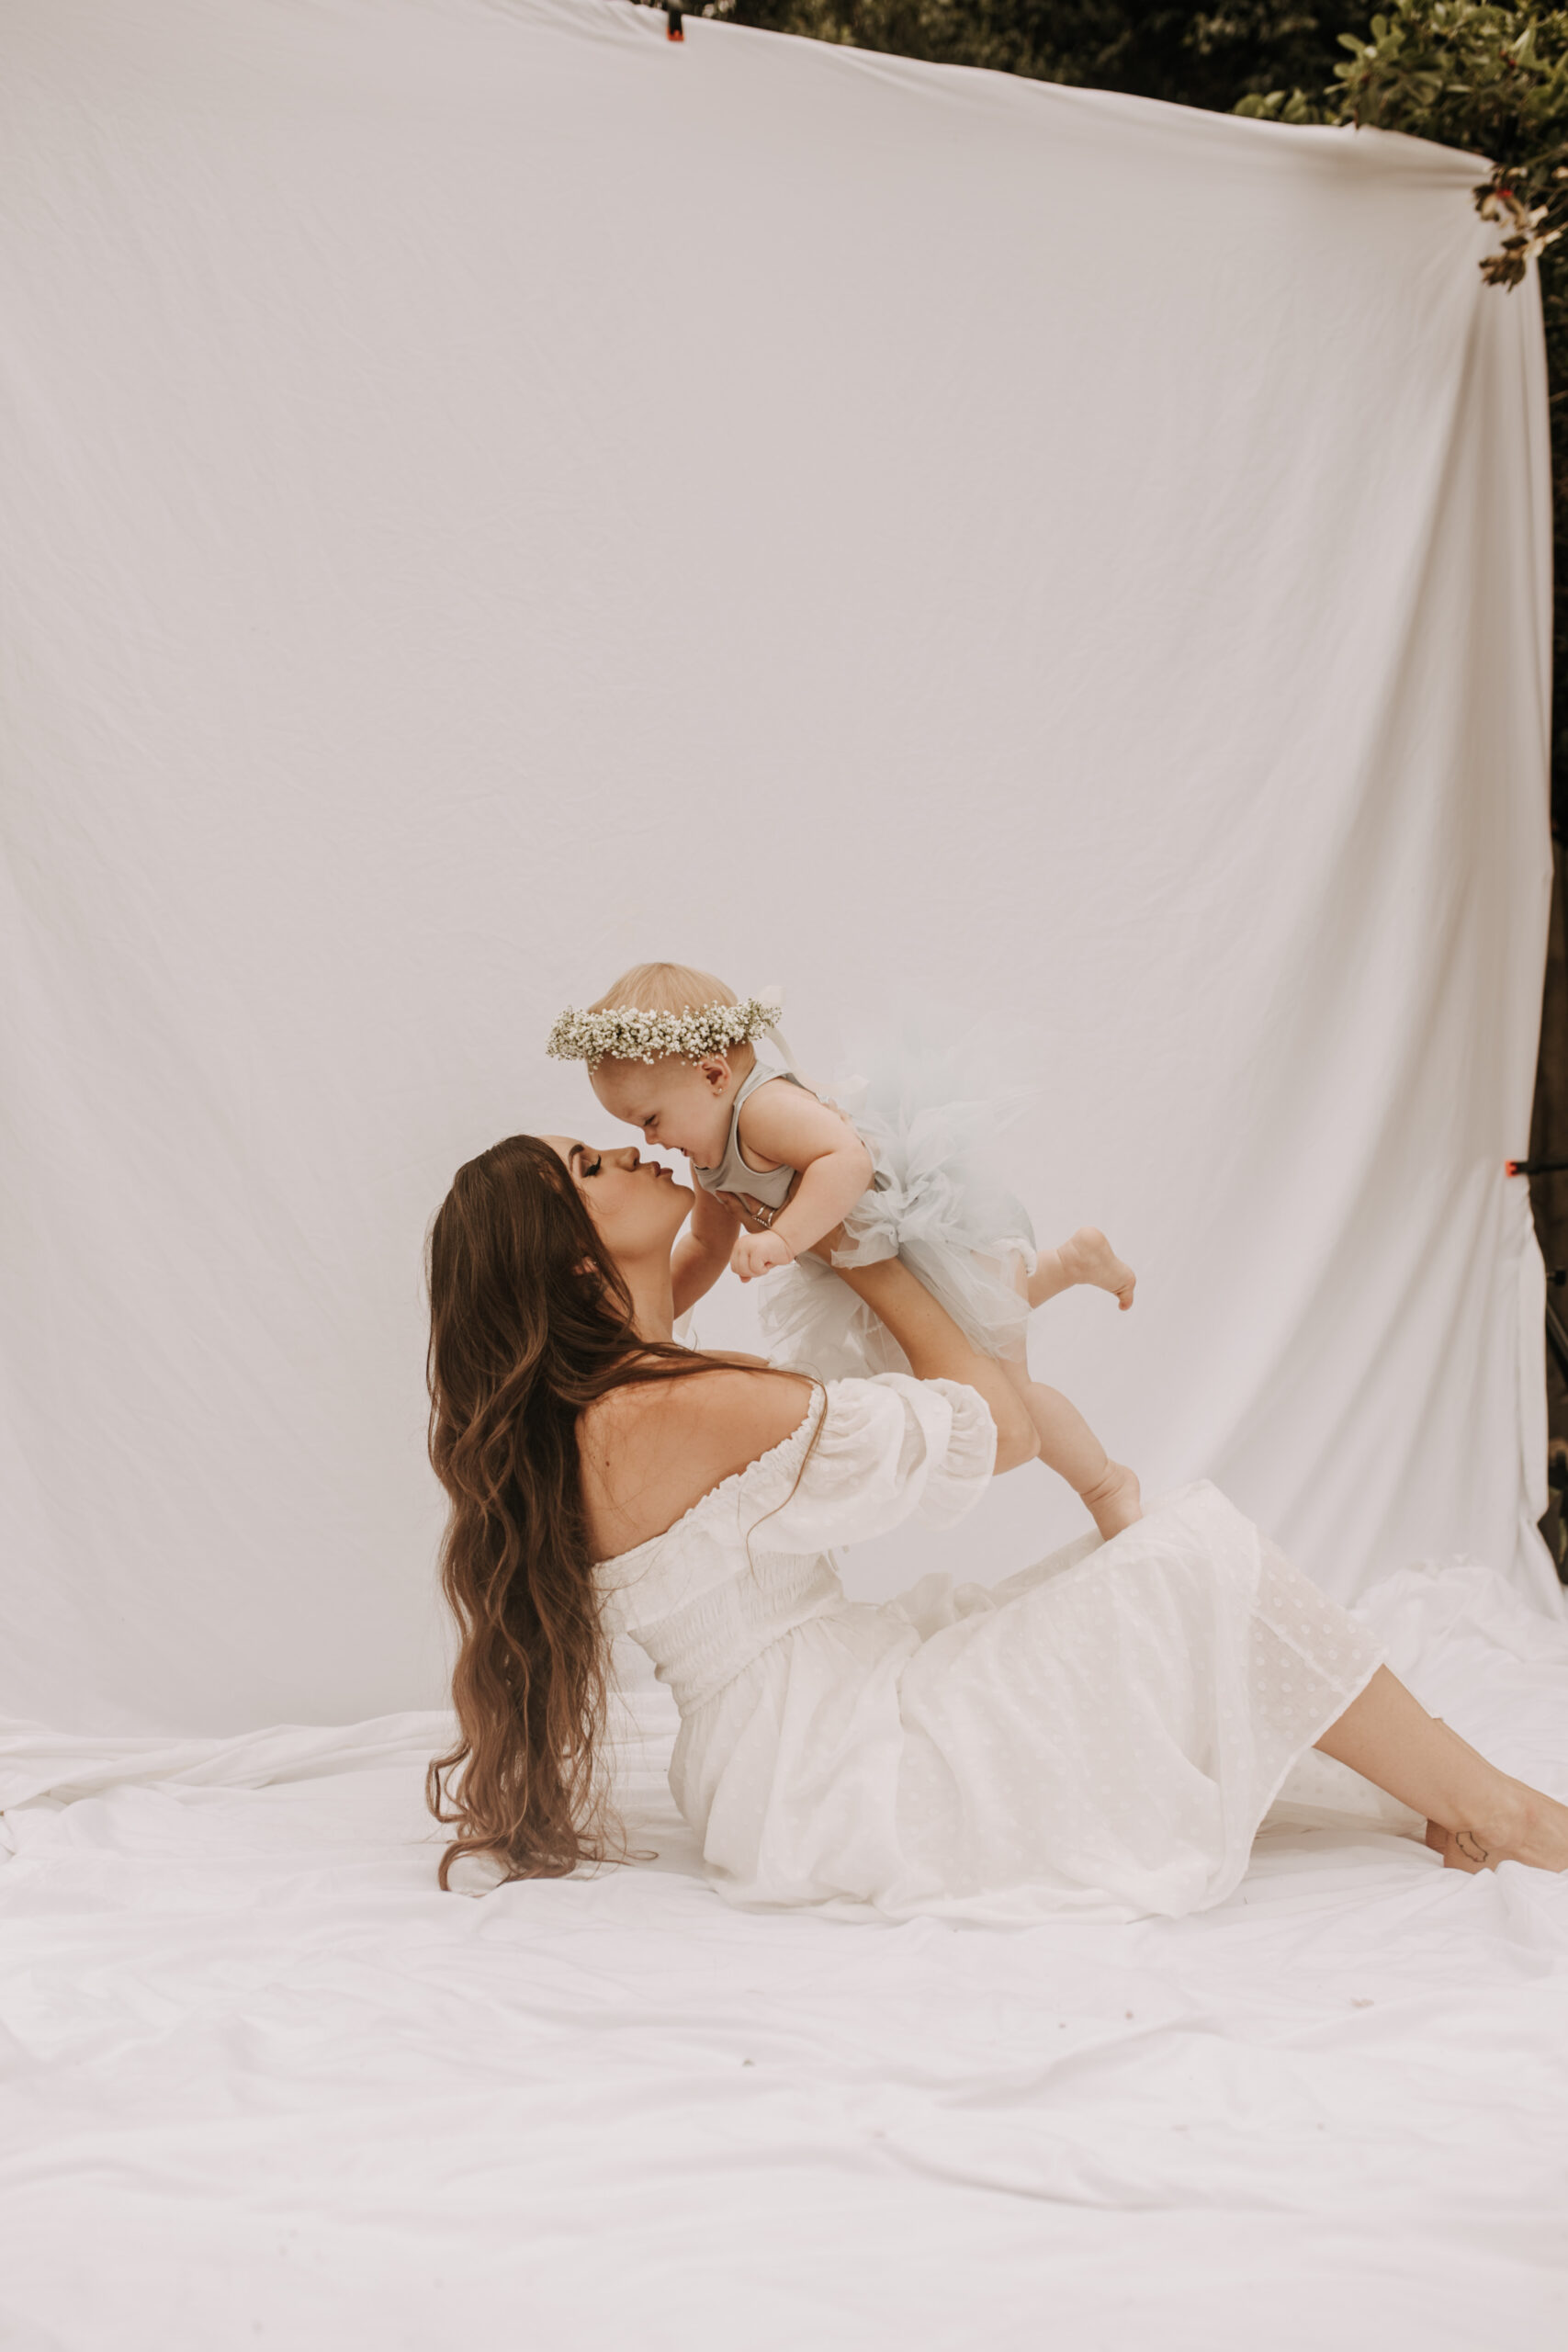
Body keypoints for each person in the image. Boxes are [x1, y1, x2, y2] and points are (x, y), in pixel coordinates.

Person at [423, 1129, 1568, 1918]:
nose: (628, 1147)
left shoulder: (613, 1405)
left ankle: (1451, 1797)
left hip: (780, 1756)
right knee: (1197, 1561)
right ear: (578, 1254)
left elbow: (675, 1302)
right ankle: (1502, 1810)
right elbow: (997, 1428)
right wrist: (857, 1238)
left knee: (1133, 1595)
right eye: (590, 1164)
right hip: (842, 1768)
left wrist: (750, 1219)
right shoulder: (670, 1408)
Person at [547, 962, 1140, 1539]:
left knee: (1010, 1392)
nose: (648, 1141)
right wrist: (647, 1325)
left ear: (713, 1077)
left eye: (650, 1120)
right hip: (893, 1257)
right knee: (961, 1336)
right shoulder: (708, 1157)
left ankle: (1107, 1485)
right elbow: (705, 1244)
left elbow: (848, 1158)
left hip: (936, 1228)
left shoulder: (760, 1113)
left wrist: (783, 1236)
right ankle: (1068, 1266)